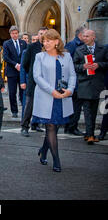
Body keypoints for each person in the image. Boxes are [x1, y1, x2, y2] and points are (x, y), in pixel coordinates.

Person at [32, 29, 76, 172]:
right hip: (47, 96)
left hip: (63, 97)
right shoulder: (40, 56)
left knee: (55, 127)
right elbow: (37, 77)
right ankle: (56, 160)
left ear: (57, 41)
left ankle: (44, 150)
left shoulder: (67, 56)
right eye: (44, 40)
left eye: (49, 40)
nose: (46, 43)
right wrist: (52, 91)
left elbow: (72, 75)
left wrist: (69, 90)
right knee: (50, 126)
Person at [73, 29, 108, 144]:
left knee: (93, 110)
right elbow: (74, 66)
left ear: (93, 37)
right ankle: (90, 135)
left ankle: (90, 133)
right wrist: (83, 66)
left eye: (87, 36)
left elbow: (107, 63)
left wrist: (98, 65)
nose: (84, 38)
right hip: (84, 84)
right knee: (87, 110)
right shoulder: (79, 50)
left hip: (97, 84)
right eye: (83, 36)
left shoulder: (102, 49)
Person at [20, 27, 47, 136]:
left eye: (45, 33)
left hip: (46, 81)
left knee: (42, 104)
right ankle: (24, 126)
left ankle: (36, 124)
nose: (43, 35)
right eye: (41, 33)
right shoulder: (31, 47)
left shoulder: (49, 47)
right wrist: (31, 74)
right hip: (34, 80)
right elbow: (25, 64)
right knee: (30, 104)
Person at [64, 25, 86, 136]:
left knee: (75, 105)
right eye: (85, 35)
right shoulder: (72, 45)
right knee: (75, 106)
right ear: (80, 35)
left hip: (79, 80)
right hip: (74, 81)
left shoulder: (82, 45)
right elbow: (65, 61)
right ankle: (71, 127)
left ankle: (70, 126)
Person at [3, 26, 27, 118]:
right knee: (12, 92)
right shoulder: (6, 43)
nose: (15, 35)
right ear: (10, 34)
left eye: (16, 33)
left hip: (22, 71)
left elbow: (26, 55)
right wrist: (16, 65)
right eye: (13, 33)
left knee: (22, 91)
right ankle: (14, 111)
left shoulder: (23, 43)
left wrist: (22, 65)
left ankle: (24, 109)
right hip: (11, 71)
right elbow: (6, 57)